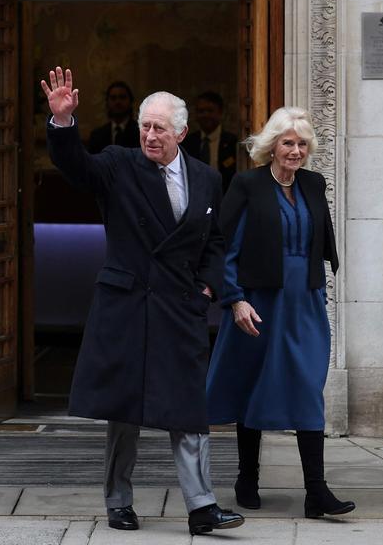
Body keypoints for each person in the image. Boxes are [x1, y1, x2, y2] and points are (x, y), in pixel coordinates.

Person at [41, 66, 244, 536]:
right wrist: (63, 123)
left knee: (189, 406)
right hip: (128, 303)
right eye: (145, 127)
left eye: (159, 128)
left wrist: (209, 288)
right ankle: (118, 501)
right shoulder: (119, 164)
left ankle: (202, 506)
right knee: (124, 408)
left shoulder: (207, 178)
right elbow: (77, 169)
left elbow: (216, 241)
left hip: (180, 305)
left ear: (182, 132)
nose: (151, 136)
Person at [205, 106, 354, 519]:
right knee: (251, 384)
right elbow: (225, 247)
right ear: (271, 146)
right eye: (288, 142)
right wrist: (234, 299)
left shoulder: (313, 184)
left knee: (308, 387)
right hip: (258, 301)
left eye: (302, 144)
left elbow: (316, 243)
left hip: (303, 301)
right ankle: (247, 476)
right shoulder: (247, 185)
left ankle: (316, 491)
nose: (295, 151)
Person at [181, 91, 239, 192]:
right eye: (201, 111)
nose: (205, 115)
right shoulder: (188, 143)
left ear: (220, 113)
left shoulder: (233, 142)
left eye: (210, 110)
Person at [87, 81, 141, 153]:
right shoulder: (97, 135)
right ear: (107, 102)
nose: (117, 102)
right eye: (113, 98)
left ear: (130, 101)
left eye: (122, 97)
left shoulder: (141, 133)